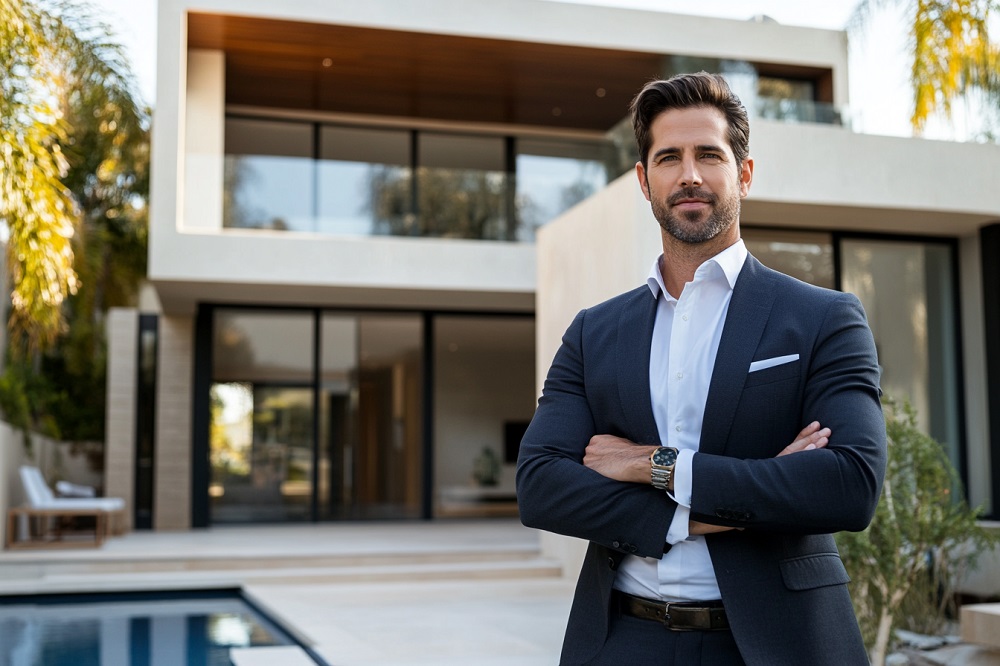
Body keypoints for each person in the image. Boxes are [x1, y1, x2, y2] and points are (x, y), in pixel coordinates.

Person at [515, 72, 886, 666]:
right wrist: (716, 511)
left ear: (743, 172)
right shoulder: (594, 332)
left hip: (778, 645)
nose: (689, 174)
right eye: (669, 158)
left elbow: (848, 485)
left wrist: (651, 464)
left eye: (708, 154)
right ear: (644, 180)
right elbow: (541, 489)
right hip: (620, 640)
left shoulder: (823, 319)